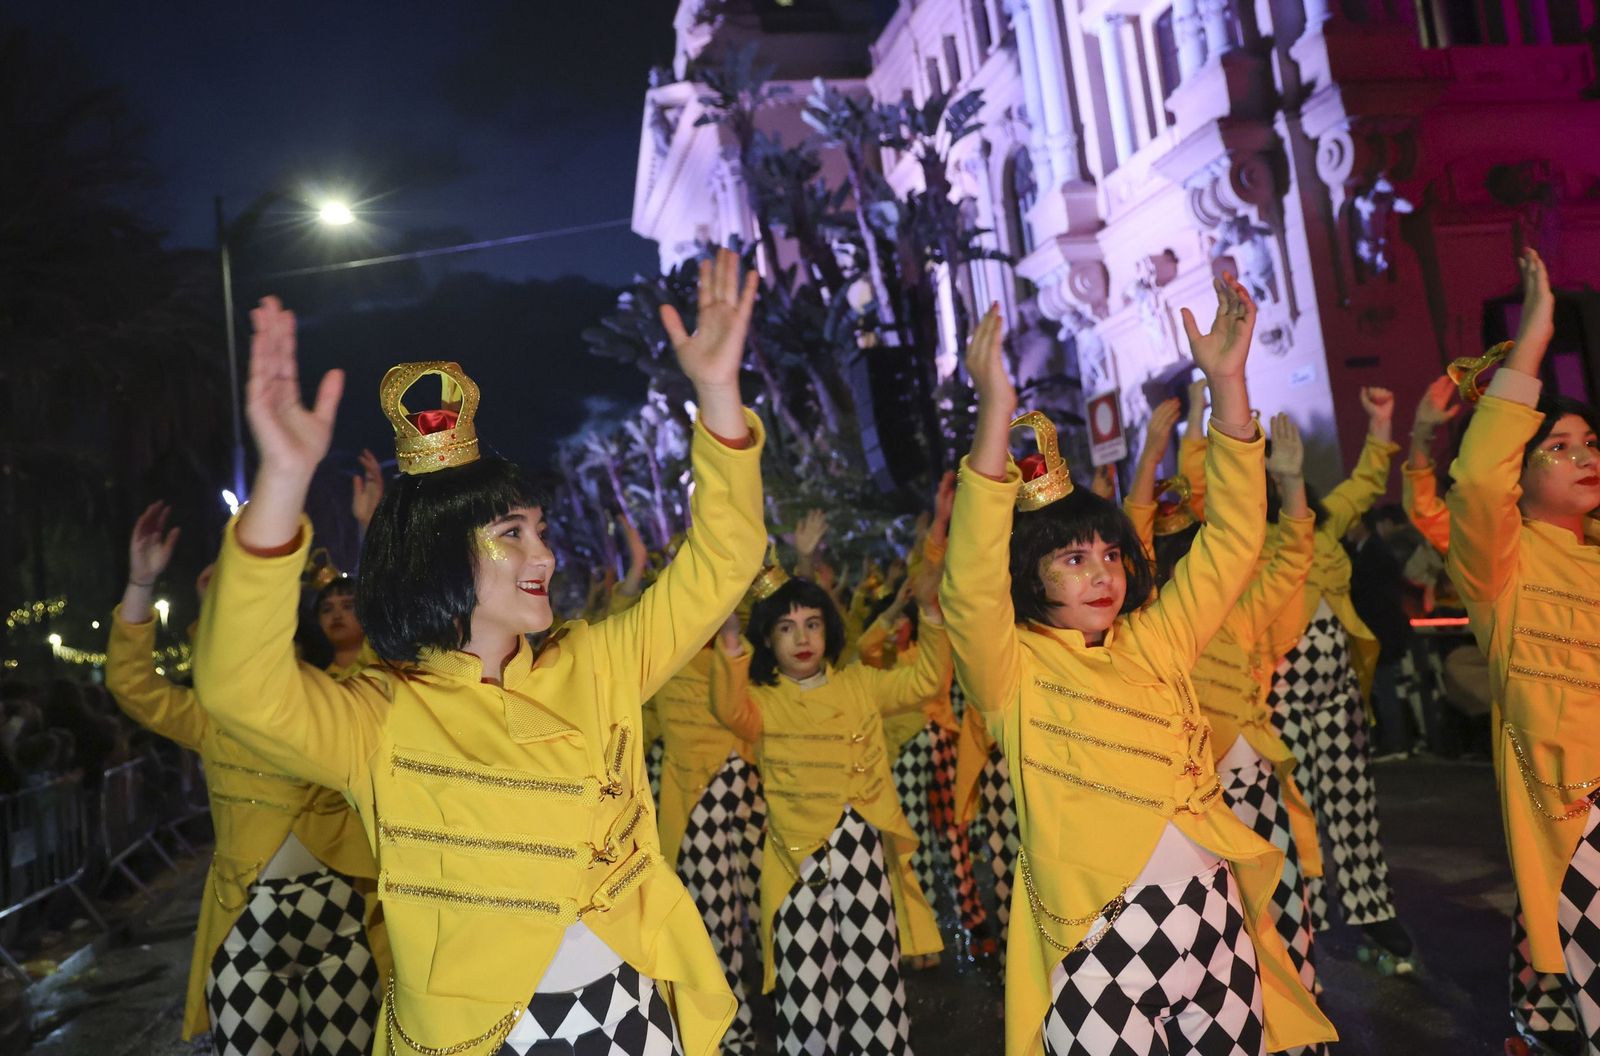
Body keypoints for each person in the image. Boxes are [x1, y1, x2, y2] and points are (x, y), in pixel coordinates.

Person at [192, 247, 767, 1056]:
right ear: (438, 558)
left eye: (538, 529)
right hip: (478, 1039)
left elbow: (725, 561)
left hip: (633, 1012)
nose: (546, 556)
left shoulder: (598, 663)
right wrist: (282, 488)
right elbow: (236, 686)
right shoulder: (380, 716)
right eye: (511, 534)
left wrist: (716, 392)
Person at [944, 282, 1334, 1056]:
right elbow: (966, 583)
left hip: (1213, 915)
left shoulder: (1155, 639)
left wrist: (1228, 386)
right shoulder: (1009, 668)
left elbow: (1231, 541)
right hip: (1095, 941)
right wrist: (995, 414)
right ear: (1028, 577)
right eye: (1072, 558)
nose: (1102, 574)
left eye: (1111, 555)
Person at [107, 502, 382, 1056]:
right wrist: (141, 582)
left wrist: (372, 529)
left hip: (344, 920)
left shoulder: (340, 694)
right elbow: (132, 684)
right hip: (247, 927)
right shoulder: (212, 715)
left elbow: (382, 647)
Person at [1447, 247, 1600, 1056]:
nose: (1584, 458)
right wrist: (1532, 342)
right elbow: (1473, 483)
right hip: (1580, 823)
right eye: (1559, 447)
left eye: (1589, 444)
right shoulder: (1499, 567)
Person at [709, 561, 948, 1056]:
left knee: (874, 978)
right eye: (786, 627)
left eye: (812, 624)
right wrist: (729, 641)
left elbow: (926, 681)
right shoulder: (761, 701)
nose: (802, 638)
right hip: (796, 863)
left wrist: (930, 610)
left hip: (862, 852)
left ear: (828, 630)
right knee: (804, 992)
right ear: (768, 641)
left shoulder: (860, 683)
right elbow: (728, 711)